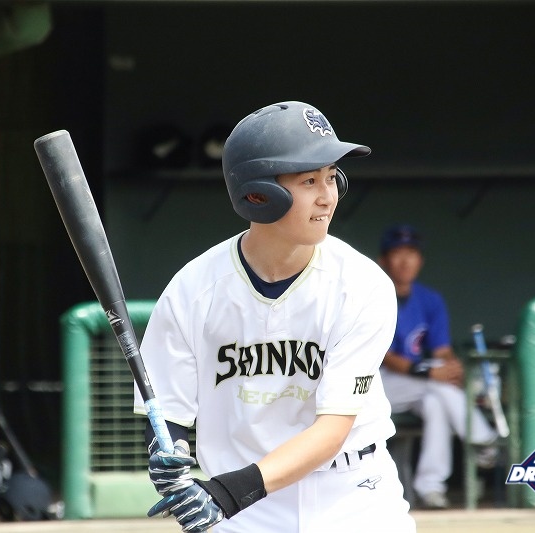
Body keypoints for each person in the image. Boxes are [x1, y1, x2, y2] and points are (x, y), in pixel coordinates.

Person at [133, 101, 416, 533]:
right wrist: (166, 455)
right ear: (258, 195)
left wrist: (225, 494)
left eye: (331, 177)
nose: (328, 196)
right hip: (244, 509)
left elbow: (332, 430)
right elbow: (168, 413)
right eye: (308, 181)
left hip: (352, 492)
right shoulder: (193, 290)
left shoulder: (361, 284)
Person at [377, 224, 498, 510]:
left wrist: (453, 369)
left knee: (436, 404)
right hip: (378, 384)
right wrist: (433, 373)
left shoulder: (429, 299)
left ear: (420, 260)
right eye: (397, 253)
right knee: (435, 383)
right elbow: (384, 356)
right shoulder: (373, 294)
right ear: (383, 260)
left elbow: (441, 350)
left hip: (419, 385)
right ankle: (484, 441)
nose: (405, 261)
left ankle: (431, 487)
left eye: (411, 253)